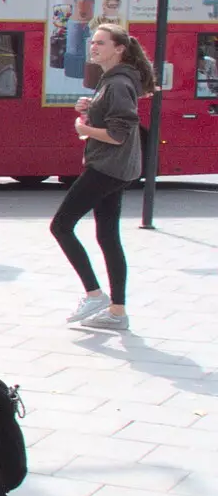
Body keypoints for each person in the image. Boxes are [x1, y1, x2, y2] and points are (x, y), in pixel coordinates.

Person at [52, 23, 155, 332]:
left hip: (106, 166)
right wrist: (89, 107)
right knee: (108, 236)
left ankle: (94, 294)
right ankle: (118, 313)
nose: (93, 47)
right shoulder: (112, 80)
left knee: (61, 226)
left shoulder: (118, 83)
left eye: (100, 43)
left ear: (119, 48)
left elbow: (118, 134)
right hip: (118, 169)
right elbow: (113, 118)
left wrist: (84, 129)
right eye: (92, 42)